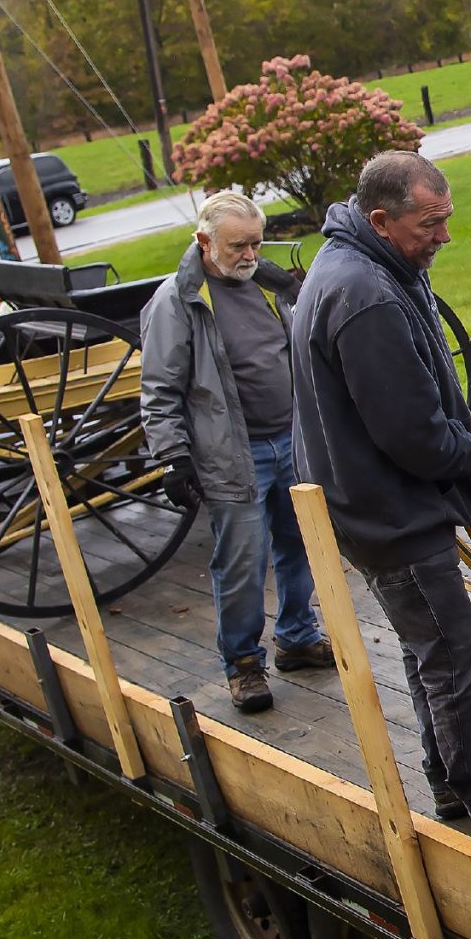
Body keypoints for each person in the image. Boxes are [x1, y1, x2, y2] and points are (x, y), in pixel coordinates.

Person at [292, 151, 471, 849]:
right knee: (450, 650)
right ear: (382, 219)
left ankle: (452, 775)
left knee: (431, 651)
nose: (444, 237)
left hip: (373, 497)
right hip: (388, 507)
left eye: (446, 220)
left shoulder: (371, 268)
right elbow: (409, 432)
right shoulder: (363, 296)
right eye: (431, 224)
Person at [140, 190, 329, 713]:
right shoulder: (176, 301)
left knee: (300, 543)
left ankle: (296, 636)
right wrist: (172, 457)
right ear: (203, 242)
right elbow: (159, 389)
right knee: (243, 562)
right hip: (231, 454)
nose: (249, 254)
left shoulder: (272, 286)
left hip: (291, 441)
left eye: (256, 242)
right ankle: (244, 665)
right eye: (237, 245)